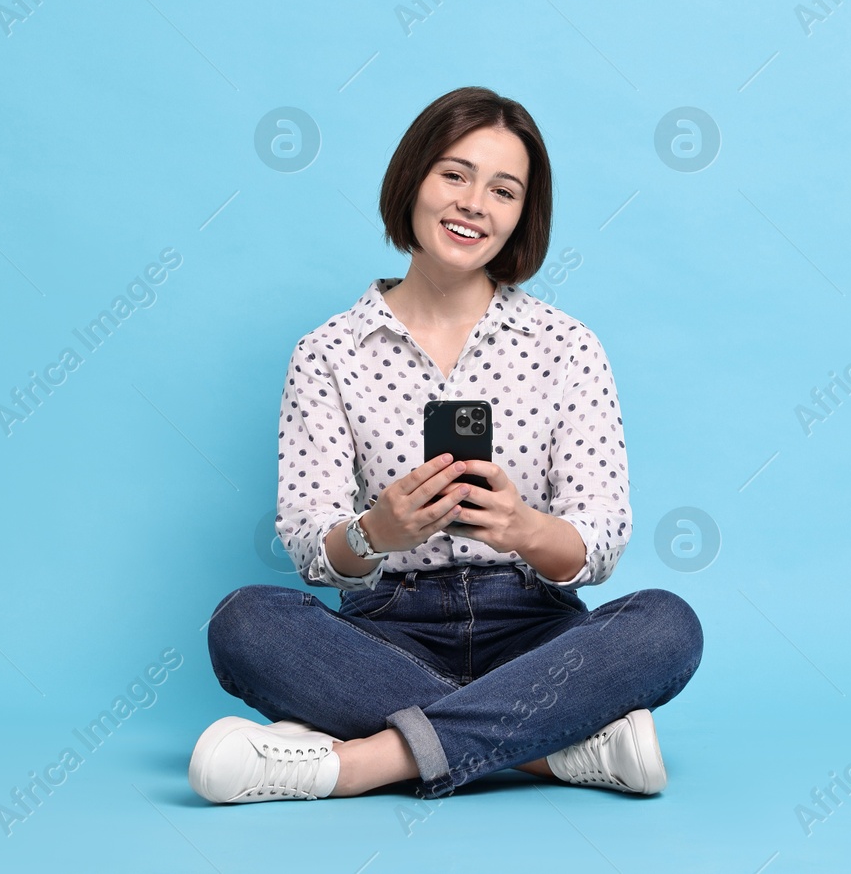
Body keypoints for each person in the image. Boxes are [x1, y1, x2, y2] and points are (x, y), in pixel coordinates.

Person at [190, 86, 703, 804]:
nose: (473, 204)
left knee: (666, 626)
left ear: (523, 214)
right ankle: (547, 749)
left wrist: (525, 529)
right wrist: (376, 533)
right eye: (454, 175)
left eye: (503, 190)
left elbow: (600, 543)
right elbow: (311, 549)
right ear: (414, 178)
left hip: (534, 630)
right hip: (386, 633)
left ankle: (358, 762)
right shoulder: (329, 352)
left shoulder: (568, 347)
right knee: (241, 621)